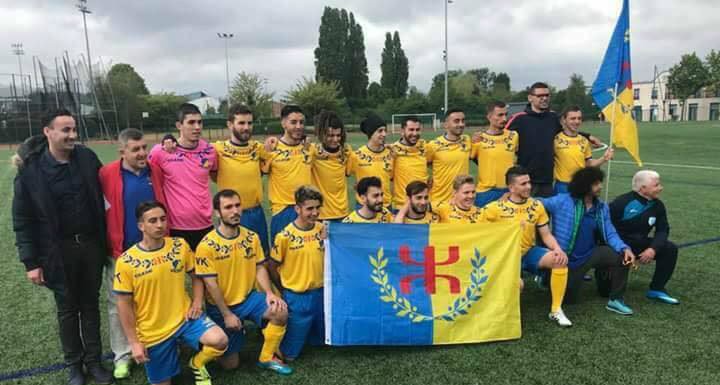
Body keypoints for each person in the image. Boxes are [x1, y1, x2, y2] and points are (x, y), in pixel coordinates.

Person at [12, 109, 112, 385]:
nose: (72, 135)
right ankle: (74, 367)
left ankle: (94, 362)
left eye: (74, 129)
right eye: (66, 130)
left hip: (91, 246)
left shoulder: (87, 158)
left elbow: (105, 197)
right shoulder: (31, 171)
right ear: (48, 132)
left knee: (90, 305)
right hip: (57, 252)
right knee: (67, 309)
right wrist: (31, 263)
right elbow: (22, 220)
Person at [114, 201, 228, 385]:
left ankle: (196, 363)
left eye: (163, 219)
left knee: (220, 340)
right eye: (152, 221)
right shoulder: (126, 261)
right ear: (141, 226)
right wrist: (134, 342)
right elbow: (123, 304)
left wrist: (197, 301)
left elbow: (196, 275)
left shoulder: (179, 246)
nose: (160, 225)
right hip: (153, 332)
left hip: (185, 319)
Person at [195, 190, 292, 375]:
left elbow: (259, 268)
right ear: (217, 212)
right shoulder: (206, 245)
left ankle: (266, 357)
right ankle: (209, 340)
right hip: (222, 306)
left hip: (248, 299)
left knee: (280, 310)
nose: (235, 211)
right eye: (228, 207)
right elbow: (211, 285)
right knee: (231, 365)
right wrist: (226, 315)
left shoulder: (251, 237)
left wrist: (270, 293)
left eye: (237, 205)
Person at [99, 128, 167, 379]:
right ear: (122, 152)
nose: (142, 154)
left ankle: (155, 343)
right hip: (122, 252)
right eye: (135, 149)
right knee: (118, 305)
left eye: (144, 148)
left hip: (155, 250)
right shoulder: (106, 174)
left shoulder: (155, 171)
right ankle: (122, 355)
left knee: (155, 301)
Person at [479, 166, 572, 327]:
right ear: (511, 187)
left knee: (559, 260)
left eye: (529, 182)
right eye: (523, 184)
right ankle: (504, 314)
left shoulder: (536, 206)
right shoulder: (494, 209)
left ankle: (556, 310)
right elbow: (476, 232)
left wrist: (557, 249)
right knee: (518, 285)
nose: (529, 186)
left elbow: (546, 235)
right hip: (505, 257)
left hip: (528, 252)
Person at [540, 167, 637, 315]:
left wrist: (624, 248)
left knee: (622, 257)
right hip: (567, 258)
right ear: (584, 185)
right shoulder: (562, 201)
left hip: (591, 254)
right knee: (569, 300)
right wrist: (509, 197)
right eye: (596, 183)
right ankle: (547, 277)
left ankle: (616, 299)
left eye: (600, 183)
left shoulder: (601, 207)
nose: (600, 187)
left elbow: (610, 233)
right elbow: (537, 203)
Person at [506, 82, 599, 197]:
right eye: (540, 96)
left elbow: (566, 131)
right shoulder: (519, 118)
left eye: (547, 95)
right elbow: (502, 136)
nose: (544, 98)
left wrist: (587, 136)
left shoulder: (553, 117)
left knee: (545, 214)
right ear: (530, 98)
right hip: (525, 180)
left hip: (547, 181)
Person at [267, 186, 326, 361]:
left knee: (322, 341)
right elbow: (272, 266)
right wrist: (284, 290)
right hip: (298, 297)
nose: (314, 212)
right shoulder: (285, 236)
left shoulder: (322, 229)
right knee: (290, 354)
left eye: (317, 208)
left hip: (321, 294)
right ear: (297, 209)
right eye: (309, 208)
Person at [149, 103, 217, 250]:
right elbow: (146, 174)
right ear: (179, 125)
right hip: (176, 227)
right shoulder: (161, 152)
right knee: (176, 272)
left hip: (206, 224)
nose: (197, 127)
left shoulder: (210, 150)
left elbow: (215, 174)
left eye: (200, 122)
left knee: (208, 272)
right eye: (191, 122)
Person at [610, 170, 680, 304]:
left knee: (670, 248)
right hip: (618, 247)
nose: (661, 188)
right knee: (604, 292)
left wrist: (652, 249)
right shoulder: (621, 203)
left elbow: (662, 230)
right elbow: (607, 230)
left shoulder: (658, 205)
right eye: (656, 185)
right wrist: (622, 249)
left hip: (640, 244)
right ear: (643, 188)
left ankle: (657, 289)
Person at [212, 104, 271, 254]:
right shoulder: (217, 149)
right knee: (235, 258)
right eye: (241, 123)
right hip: (231, 214)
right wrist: (169, 141)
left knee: (261, 256)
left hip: (257, 213)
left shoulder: (258, 148)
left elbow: (279, 153)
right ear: (230, 124)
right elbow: (192, 149)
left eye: (249, 123)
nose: (246, 127)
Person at [264, 105, 314, 246]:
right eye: (293, 122)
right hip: (283, 211)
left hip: (306, 209)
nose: (298, 126)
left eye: (301, 122)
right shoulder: (271, 149)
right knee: (280, 259)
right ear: (283, 123)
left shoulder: (310, 149)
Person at [553, 106, 613, 194]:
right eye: (573, 118)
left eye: (579, 118)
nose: (577, 121)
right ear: (564, 120)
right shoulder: (555, 139)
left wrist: (604, 158)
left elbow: (588, 163)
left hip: (581, 185)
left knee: (580, 208)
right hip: (562, 187)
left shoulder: (584, 141)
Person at [470, 101, 518, 207]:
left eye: (506, 114)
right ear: (489, 116)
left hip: (509, 190)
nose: (504, 119)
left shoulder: (514, 136)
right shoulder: (479, 139)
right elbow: (468, 159)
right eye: (500, 115)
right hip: (486, 192)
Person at [311, 110, 353, 221]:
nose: (335, 139)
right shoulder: (313, 151)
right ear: (321, 133)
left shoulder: (346, 151)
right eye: (330, 135)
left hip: (343, 213)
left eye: (338, 135)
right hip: (321, 215)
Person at [426, 108, 472, 205]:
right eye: (456, 121)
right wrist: (428, 178)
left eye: (463, 121)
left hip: (461, 201)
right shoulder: (433, 145)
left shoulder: (467, 140)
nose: (461, 124)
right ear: (446, 124)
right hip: (439, 201)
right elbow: (421, 163)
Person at [348, 114, 394, 209]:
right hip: (363, 206)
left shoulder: (391, 153)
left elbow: (392, 178)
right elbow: (345, 173)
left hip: (386, 206)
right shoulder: (356, 155)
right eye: (380, 131)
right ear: (370, 133)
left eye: (385, 130)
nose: (384, 134)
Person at [390, 116, 429, 209]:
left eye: (417, 130)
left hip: (423, 204)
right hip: (401, 206)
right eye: (411, 130)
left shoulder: (425, 146)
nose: (415, 133)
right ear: (402, 131)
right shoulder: (393, 150)